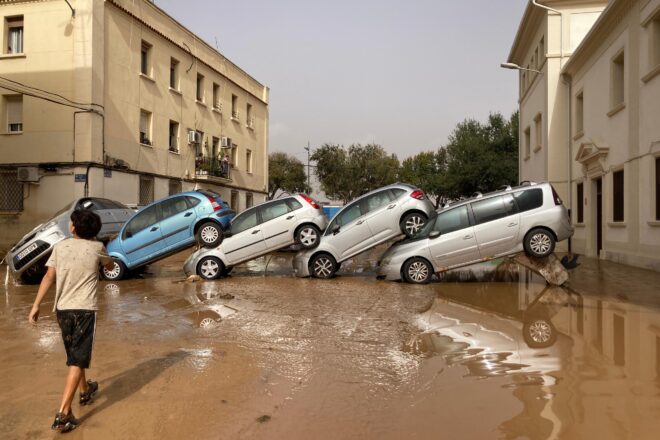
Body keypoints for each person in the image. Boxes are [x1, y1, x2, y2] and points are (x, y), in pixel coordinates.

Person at [28, 209, 115, 433]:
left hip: (62, 310)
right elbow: (111, 267)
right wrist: (103, 254)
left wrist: (36, 305)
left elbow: (49, 276)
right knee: (77, 360)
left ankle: (85, 390)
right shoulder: (98, 248)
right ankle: (63, 414)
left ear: (74, 228)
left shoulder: (60, 246)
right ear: (94, 231)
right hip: (85, 310)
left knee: (75, 354)